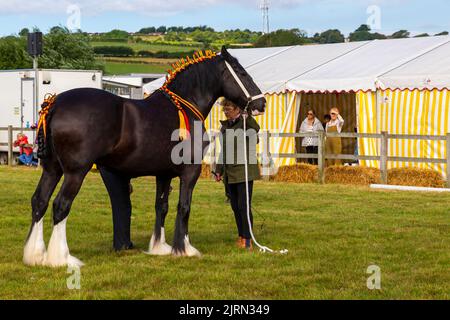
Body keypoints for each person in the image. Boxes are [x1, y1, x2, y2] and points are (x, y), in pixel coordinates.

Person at [214, 99, 260, 250]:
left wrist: (248, 118)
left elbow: (256, 131)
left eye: (229, 109)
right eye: (224, 110)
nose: (226, 112)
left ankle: (248, 239)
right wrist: (219, 170)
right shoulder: (225, 127)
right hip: (230, 173)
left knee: (243, 206)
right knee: (235, 206)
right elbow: (224, 150)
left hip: (244, 171)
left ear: (237, 110)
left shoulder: (245, 123)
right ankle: (241, 235)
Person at [98, 166, 135, 251]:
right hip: (111, 168)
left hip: (108, 167)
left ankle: (123, 243)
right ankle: (122, 244)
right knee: (121, 204)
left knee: (120, 204)